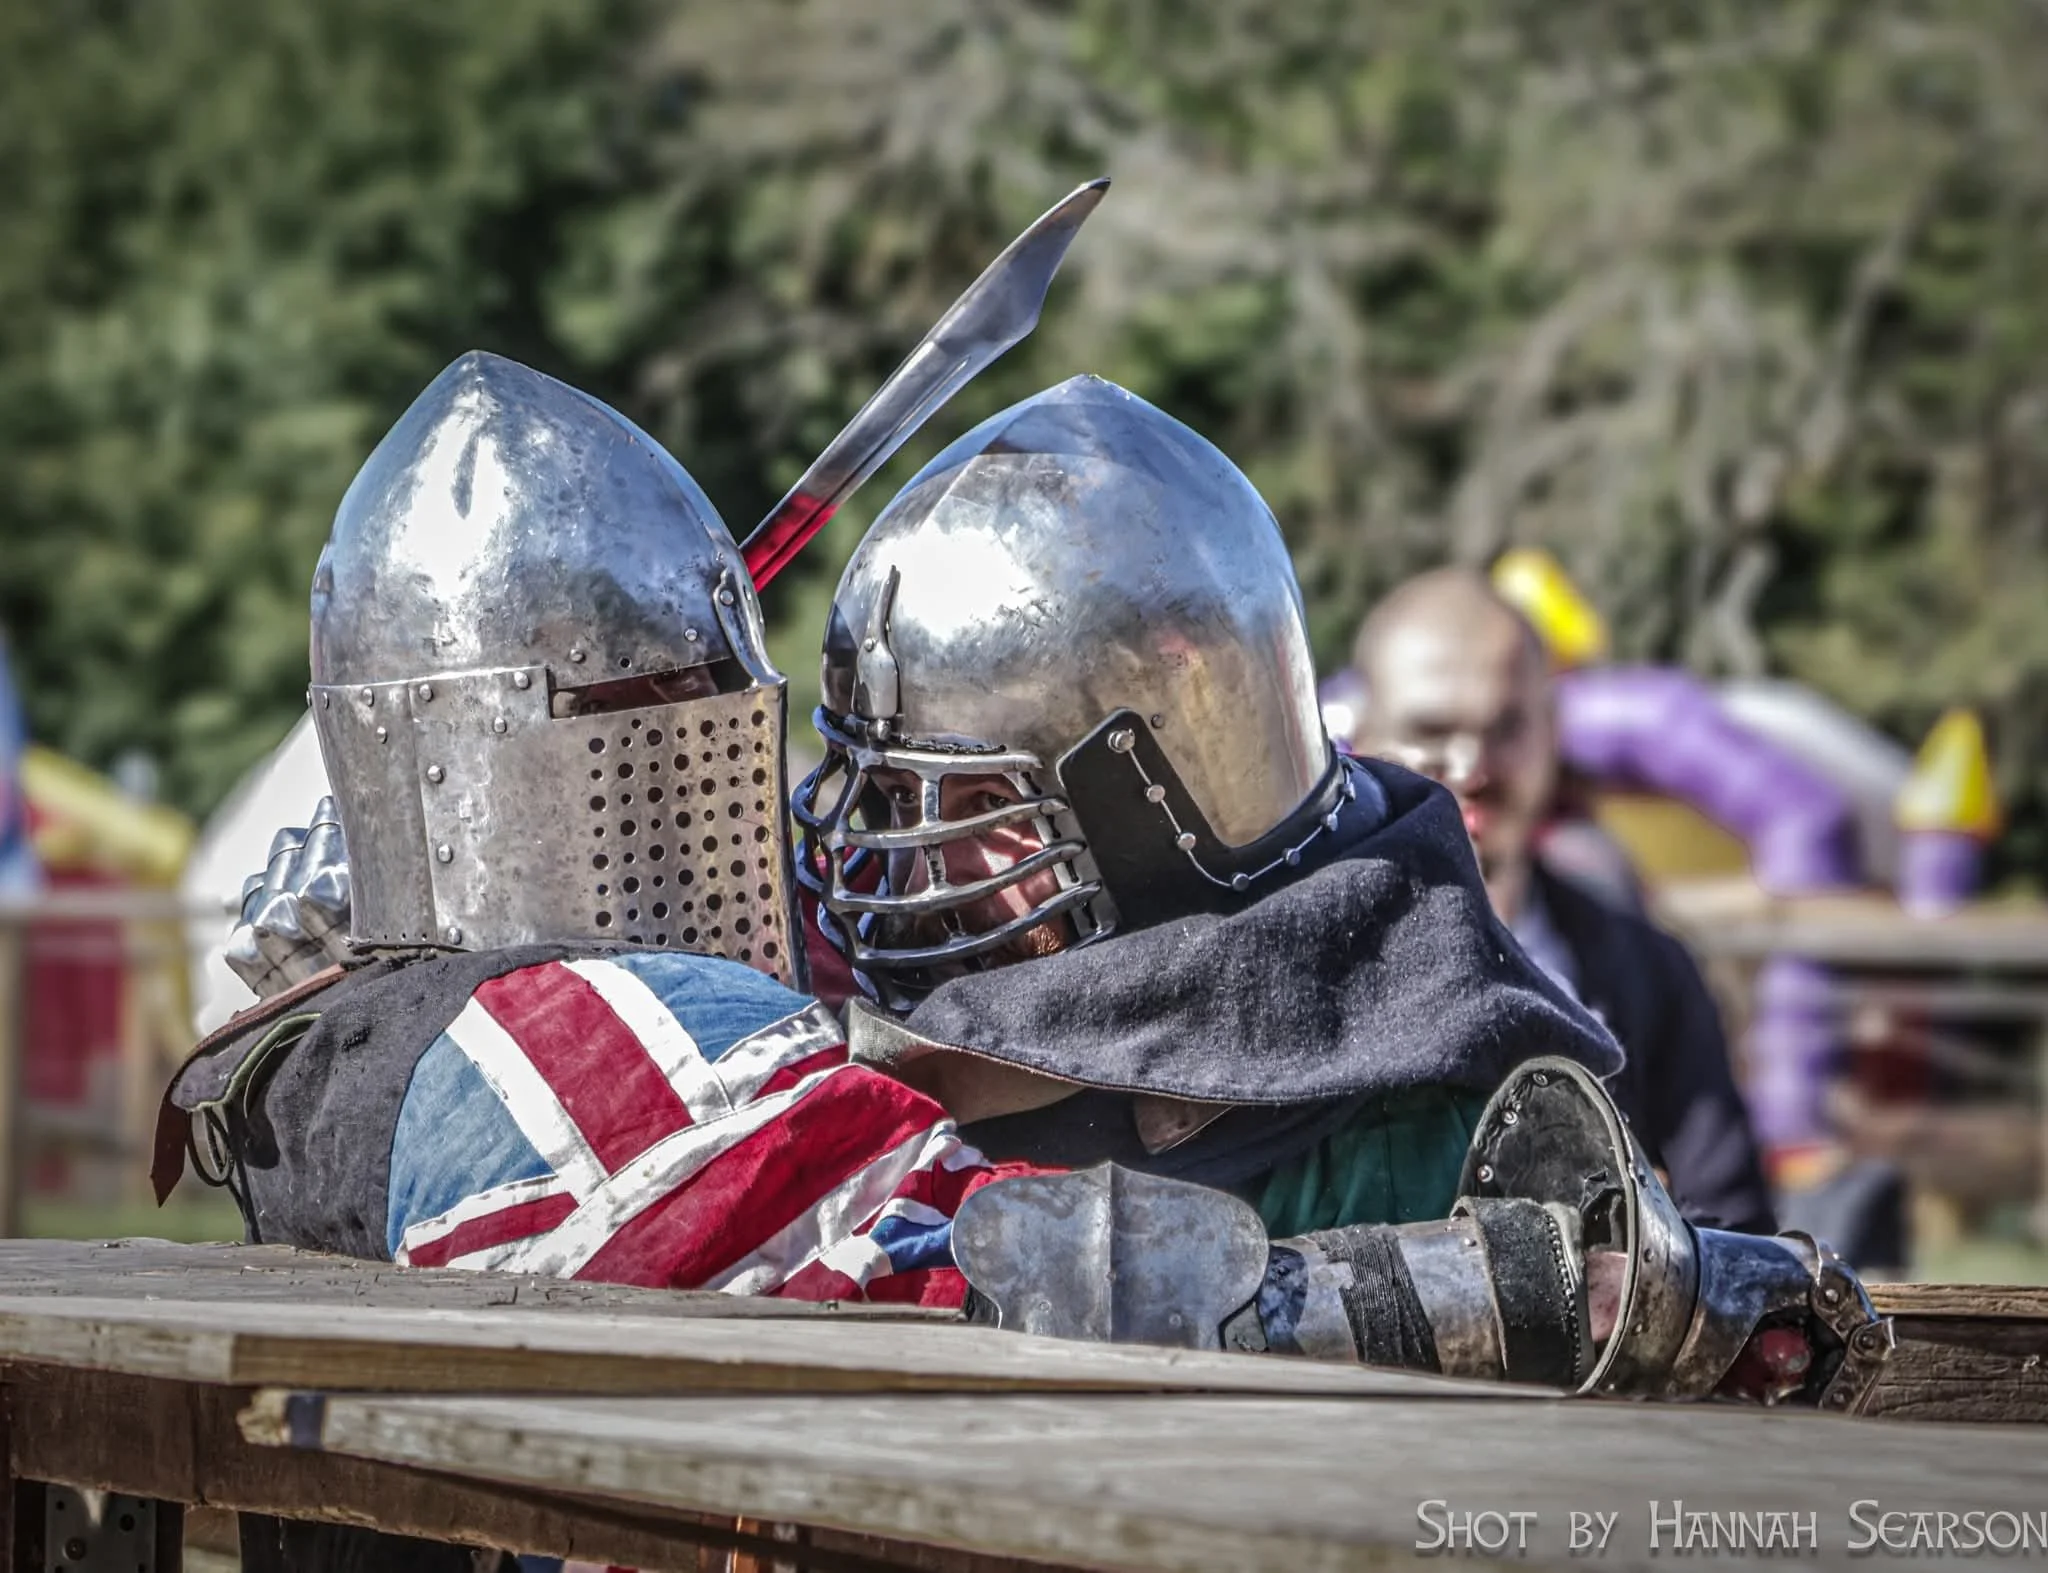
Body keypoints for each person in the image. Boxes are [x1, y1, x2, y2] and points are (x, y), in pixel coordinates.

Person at [209, 368, 1884, 1444]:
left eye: (946, 819)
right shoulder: (623, 1058)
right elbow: (910, 1271)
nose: (875, 867)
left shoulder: (1436, 1086)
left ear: (1132, 806)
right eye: (868, 800)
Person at [1347, 566, 1777, 1235]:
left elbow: (1736, 1229)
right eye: (1431, 729)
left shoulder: (1647, 973)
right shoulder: (1304, 961)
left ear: (1552, 735)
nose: (1471, 763)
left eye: (1506, 727)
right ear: (1364, 737)